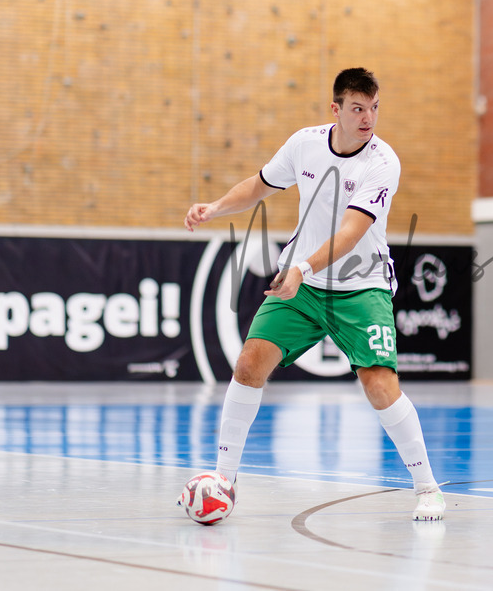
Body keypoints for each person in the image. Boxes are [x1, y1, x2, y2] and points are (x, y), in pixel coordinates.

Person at [183, 67, 446, 521]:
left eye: (374, 108)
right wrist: (215, 207)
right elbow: (259, 185)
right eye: (358, 109)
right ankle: (224, 480)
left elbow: (351, 232)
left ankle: (428, 488)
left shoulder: (383, 162)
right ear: (336, 109)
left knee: (379, 385)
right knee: (249, 363)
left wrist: (301, 269)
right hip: (303, 287)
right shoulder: (304, 143)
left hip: (360, 287)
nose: (368, 118)